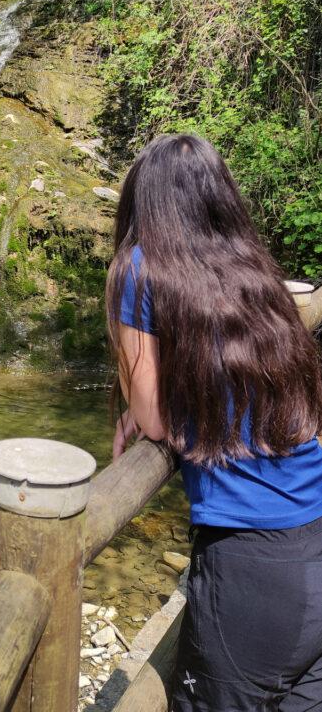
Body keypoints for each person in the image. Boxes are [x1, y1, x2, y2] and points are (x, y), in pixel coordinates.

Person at [106, 134, 322, 712]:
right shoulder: (252, 270)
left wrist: (136, 399)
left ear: (144, 201)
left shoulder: (140, 267)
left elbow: (152, 418)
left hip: (252, 571)